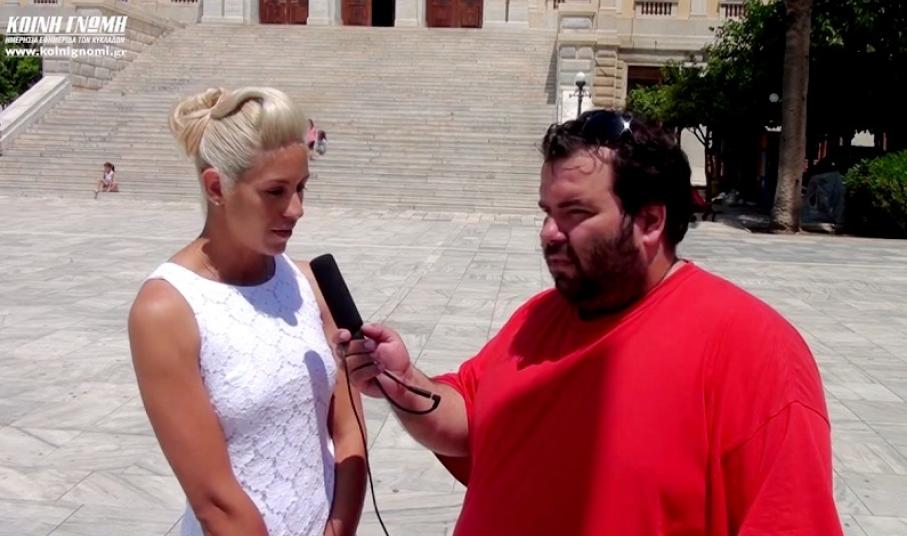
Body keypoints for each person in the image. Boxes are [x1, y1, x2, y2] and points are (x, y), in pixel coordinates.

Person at [337, 110, 843, 535]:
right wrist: (402, 381)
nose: (549, 233)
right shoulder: (539, 317)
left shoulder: (754, 350)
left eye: (575, 213)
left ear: (650, 221)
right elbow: (468, 421)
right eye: (547, 212)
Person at [128, 87, 366, 536]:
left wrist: (337, 530)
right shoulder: (167, 310)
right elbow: (215, 502)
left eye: (301, 188)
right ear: (216, 187)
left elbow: (350, 431)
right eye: (275, 191)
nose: (296, 209)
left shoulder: (309, 283)